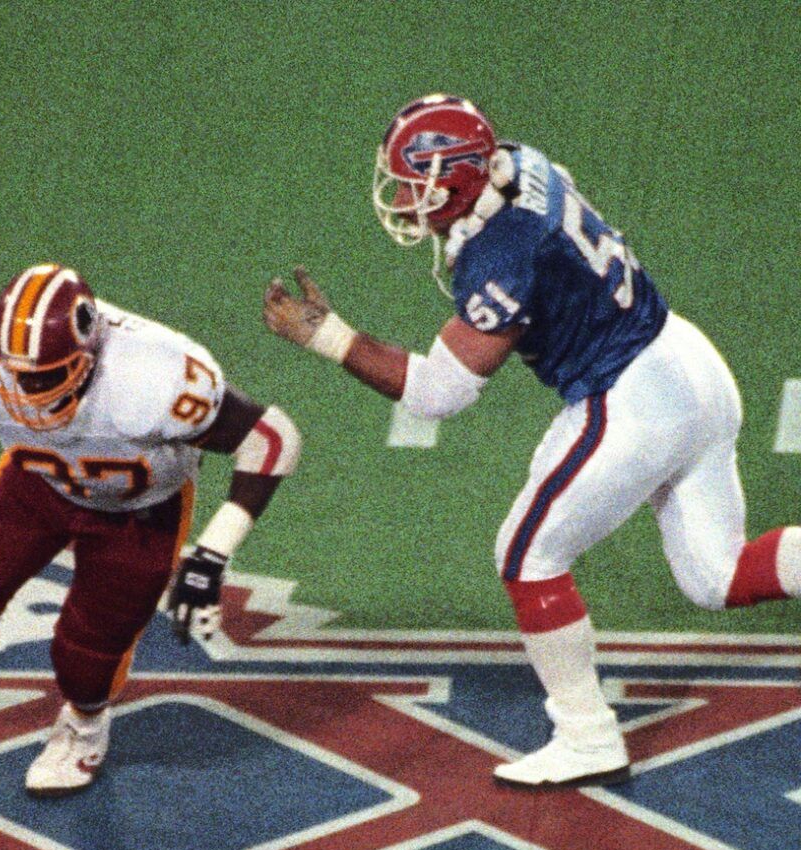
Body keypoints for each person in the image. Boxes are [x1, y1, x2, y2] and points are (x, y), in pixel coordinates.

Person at [265, 93, 801, 787]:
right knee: (717, 576)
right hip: (687, 361)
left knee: (526, 553)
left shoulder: (502, 256)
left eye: (414, 182)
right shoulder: (518, 163)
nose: (401, 197)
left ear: (458, 178)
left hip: (633, 399)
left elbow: (437, 394)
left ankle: (586, 735)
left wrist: (330, 338)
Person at [0, 262, 303, 793]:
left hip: (140, 510)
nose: (21, 389)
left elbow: (272, 438)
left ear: (87, 358)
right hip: (34, 484)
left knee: (89, 665)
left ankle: (85, 727)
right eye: (11, 369)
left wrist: (211, 553)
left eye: (41, 376)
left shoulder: (153, 376)